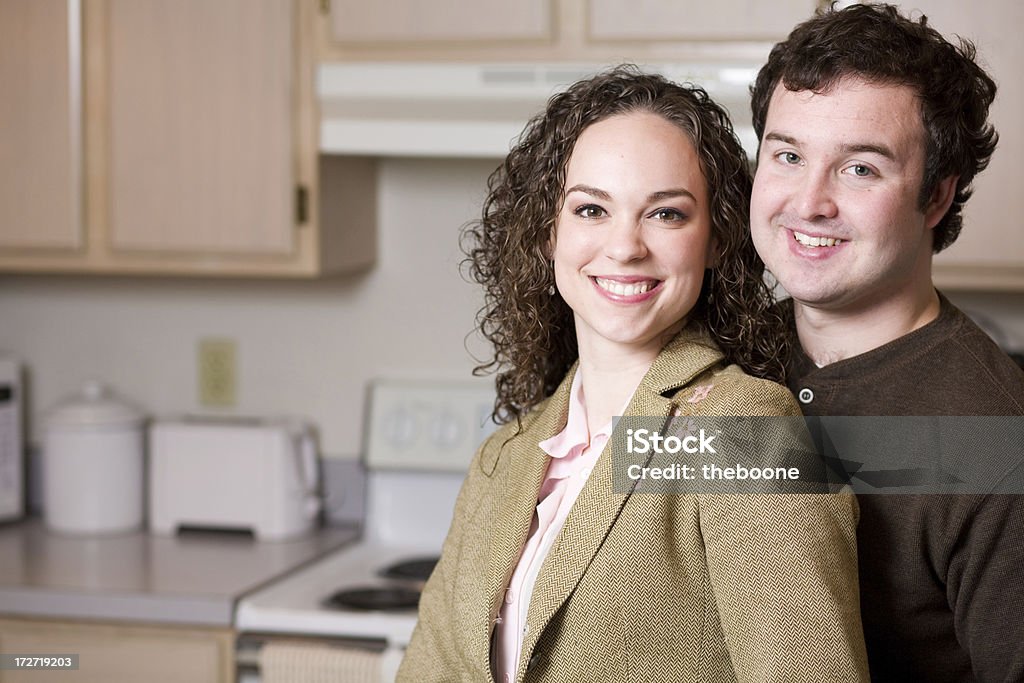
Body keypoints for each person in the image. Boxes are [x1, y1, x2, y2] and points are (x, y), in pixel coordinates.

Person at [398, 67, 868, 682]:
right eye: (591, 209)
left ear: (717, 239)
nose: (624, 247)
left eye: (666, 215)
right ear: (548, 233)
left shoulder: (740, 431)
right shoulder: (506, 457)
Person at [749, 4, 1024, 681]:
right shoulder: (722, 355)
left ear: (935, 196)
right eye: (788, 155)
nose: (808, 201)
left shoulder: (994, 442)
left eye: (860, 169)